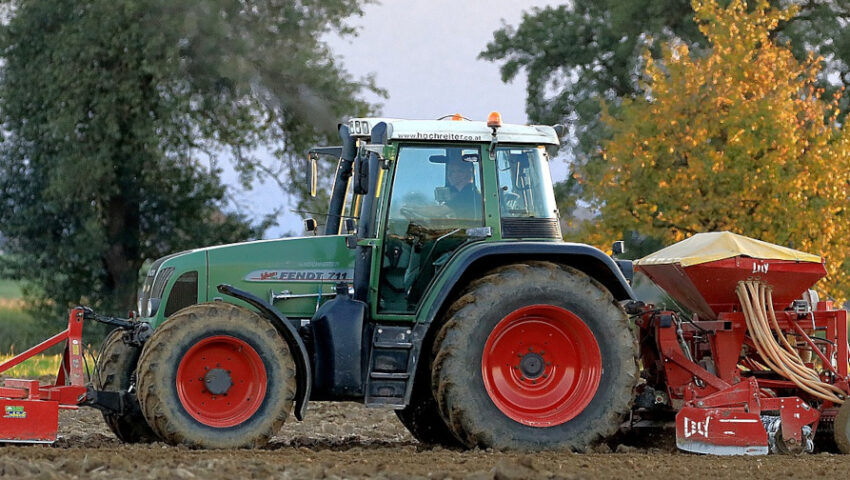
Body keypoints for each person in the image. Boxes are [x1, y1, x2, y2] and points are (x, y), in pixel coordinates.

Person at [444, 155, 482, 220]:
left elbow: (440, 211)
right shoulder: (462, 193)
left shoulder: (468, 194)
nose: (451, 175)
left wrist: (420, 210)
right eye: (451, 171)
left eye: (459, 171)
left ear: (469, 174)